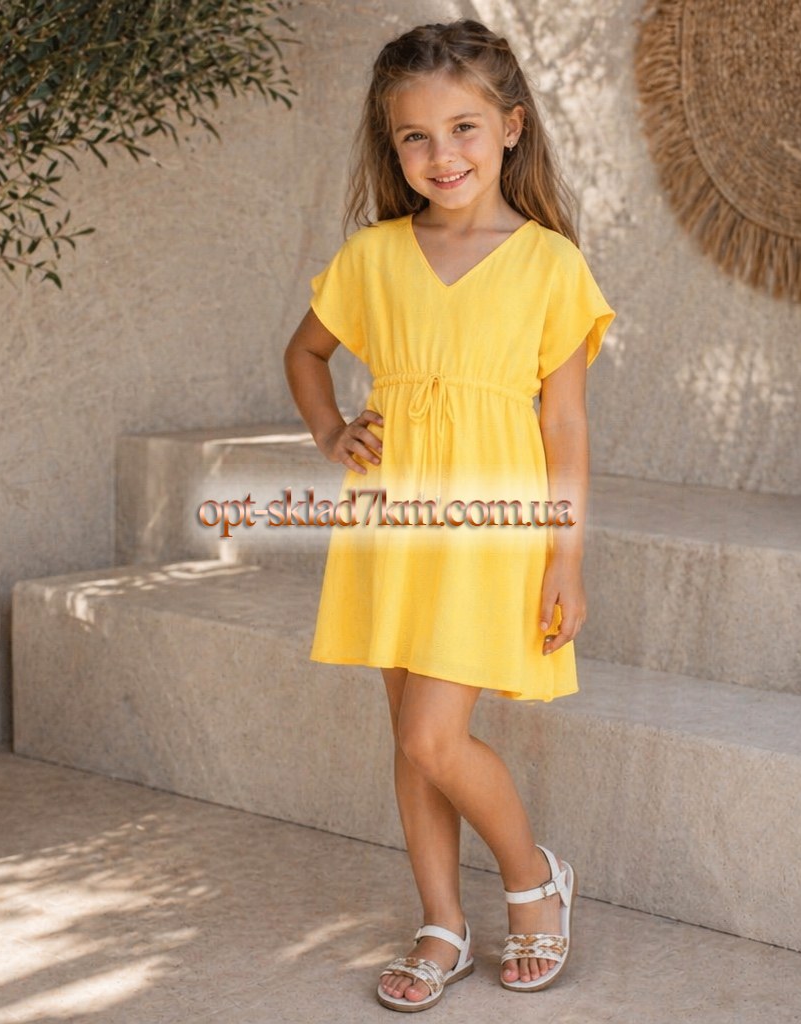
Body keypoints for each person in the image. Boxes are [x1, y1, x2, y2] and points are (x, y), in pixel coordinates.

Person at [282, 18, 614, 1012]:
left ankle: (533, 879)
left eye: (463, 128)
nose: (442, 155)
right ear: (391, 146)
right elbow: (305, 353)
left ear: (510, 126)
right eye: (415, 137)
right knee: (410, 737)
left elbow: (564, 423)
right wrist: (331, 431)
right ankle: (440, 921)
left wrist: (564, 559)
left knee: (433, 735)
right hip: (392, 522)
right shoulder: (374, 255)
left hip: (491, 528)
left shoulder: (549, 263)